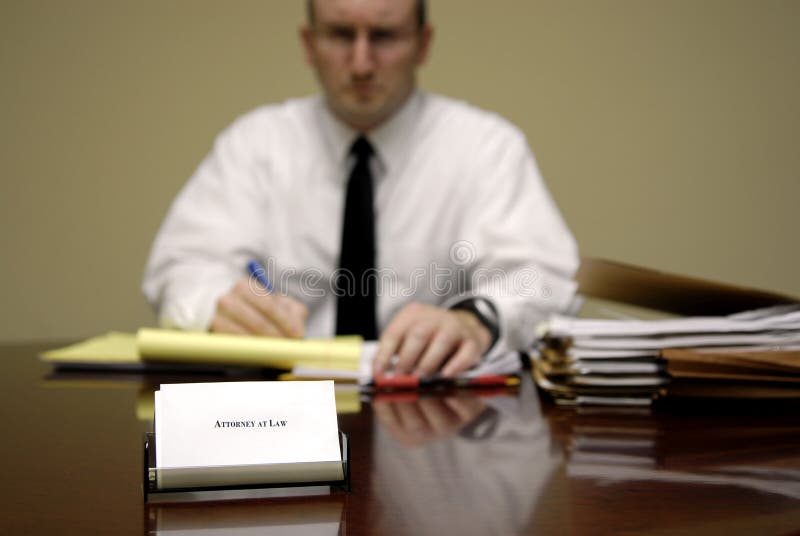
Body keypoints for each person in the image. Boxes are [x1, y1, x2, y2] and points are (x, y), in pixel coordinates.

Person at [142, 0, 578, 377]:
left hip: (437, 411)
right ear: (309, 43)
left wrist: (476, 319)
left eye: (384, 36)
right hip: (280, 406)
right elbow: (181, 267)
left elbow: (542, 278)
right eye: (340, 34)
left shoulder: (487, 148)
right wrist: (219, 305)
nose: (361, 64)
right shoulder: (254, 145)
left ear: (423, 43)